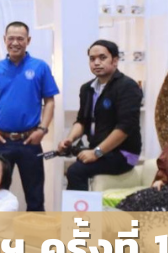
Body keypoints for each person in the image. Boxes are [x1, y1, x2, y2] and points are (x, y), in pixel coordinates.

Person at [0, 21, 58, 212]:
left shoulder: (40, 67)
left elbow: (49, 101)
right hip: (0, 141)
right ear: (4, 39)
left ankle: (35, 231)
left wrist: (42, 129)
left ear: (28, 40)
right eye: (11, 38)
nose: (15, 43)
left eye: (20, 39)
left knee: (35, 197)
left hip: (30, 141)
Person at [58, 40, 143, 191]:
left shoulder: (128, 86)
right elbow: (81, 121)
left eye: (102, 58)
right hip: (101, 150)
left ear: (115, 60)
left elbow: (125, 128)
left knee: (75, 171)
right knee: (74, 164)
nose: (96, 62)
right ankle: (81, 207)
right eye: (92, 59)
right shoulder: (87, 89)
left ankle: (82, 208)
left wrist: (96, 153)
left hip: (124, 154)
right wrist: (69, 139)